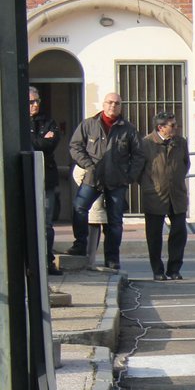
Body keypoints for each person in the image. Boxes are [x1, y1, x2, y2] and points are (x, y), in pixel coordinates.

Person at [66, 91, 144, 270]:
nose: (113, 106)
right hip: (93, 177)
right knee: (79, 207)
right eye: (109, 102)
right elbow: (75, 146)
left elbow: (139, 155)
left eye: (116, 103)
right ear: (103, 104)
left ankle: (112, 258)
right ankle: (80, 245)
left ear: (121, 106)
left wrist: (129, 176)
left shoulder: (128, 129)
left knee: (115, 220)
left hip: (117, 180)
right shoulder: (89, 124)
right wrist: (87, 164)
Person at [138, 111, 190, 281]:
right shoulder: (146, 144)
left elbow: (185, 164)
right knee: (154, 235)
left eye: (176, 124)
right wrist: (148, 185)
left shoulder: (180, 143)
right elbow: (139, 168)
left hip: (177, 194)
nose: (176, 128)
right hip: (155, 195)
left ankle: (174, 269)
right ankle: (157, 270)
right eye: (172, 125)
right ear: (160, 127)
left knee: (179, 232)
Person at [29, 87, 63, 275]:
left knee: (46, 224)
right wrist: (39, 139)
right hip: (24, 178)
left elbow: (50, 145)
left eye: (37, 101)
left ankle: (47, 261)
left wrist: (36, 140)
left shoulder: (48, 121)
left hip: (46, 179)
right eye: (31, 102)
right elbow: (29, 143)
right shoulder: (17, 120)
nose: (35, 105)